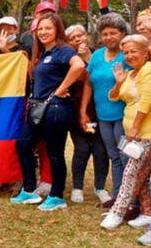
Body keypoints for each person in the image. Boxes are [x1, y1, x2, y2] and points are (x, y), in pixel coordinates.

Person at [11, 13, 85, 211]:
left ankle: (57, 196)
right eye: (40, 29)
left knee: (55, 153)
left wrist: (61, 89)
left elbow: (79, 65)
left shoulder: (63, 50)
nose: (43, 32)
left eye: (48, 28)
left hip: (56, 110)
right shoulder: (44, 53)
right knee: (23, 144)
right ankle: (29, 190)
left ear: (57, 30)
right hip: (38, 109)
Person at [101, 35, 151, 230]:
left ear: (145, 52)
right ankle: (147, 213)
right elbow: (113, 97)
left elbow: (147, 100)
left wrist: (136, 126)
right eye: (126, 52)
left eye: (133, 51)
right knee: (143, 176)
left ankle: (117, 212)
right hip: (133, 134)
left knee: (130, 174)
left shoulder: (148, 70)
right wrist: (119, 82)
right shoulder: (130, 74)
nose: (129, 55)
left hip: (145, 134)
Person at [80, 13, 130, 207]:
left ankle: (130, 201)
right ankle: (118, 198)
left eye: (113, 33)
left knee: (126, 158)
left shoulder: (127, 55)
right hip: (103, 115)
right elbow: (88, 84)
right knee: (114, 158)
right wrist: (83, 110)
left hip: (123, 114)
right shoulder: (97, 55)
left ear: (123, 33)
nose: (109, 37)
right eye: (105, 33)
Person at [64, 24, 110, 205]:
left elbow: (101, 77)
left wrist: (87, 58)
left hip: (101, 112)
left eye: (80, 35)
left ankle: (100, 187)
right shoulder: (68, 59)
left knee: (100, 151)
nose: (78, 39)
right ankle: (77, 187)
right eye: (72, 38)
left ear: (87, 36)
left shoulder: (99, 55)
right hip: (76, 113)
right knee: (81, 150)